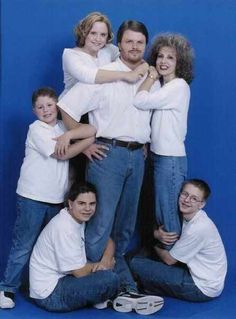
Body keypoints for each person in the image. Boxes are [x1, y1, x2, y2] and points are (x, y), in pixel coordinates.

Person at [58, 20, 151, 299]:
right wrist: (85, 143)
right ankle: (96, 284)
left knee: (125, 224)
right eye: (129, 41)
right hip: (108, 155)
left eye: (140, 42)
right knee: (100, 224)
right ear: (118, 45)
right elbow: (67, 107)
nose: (134, 47)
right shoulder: (105, 73)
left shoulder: (148, 76)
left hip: (138, 157)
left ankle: (117, 281)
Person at [0, 88, 96, 309]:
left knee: (59, 244)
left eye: (50, 105)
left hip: (57, 198)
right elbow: (62, 153)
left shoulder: (64, 128)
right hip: (33, 196)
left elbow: (92, 128)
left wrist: (76, 136)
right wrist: (87, 142)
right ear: (34, 111)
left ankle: (59, 284)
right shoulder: (36, 129)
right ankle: (7, 288)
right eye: (40, 107)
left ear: (57, 106)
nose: (46, 110)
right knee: (23, 244)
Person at [29, 182, 164, 315]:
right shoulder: (64, 228)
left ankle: (128, 293)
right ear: (70, 204)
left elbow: (108, 241)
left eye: (92, 204)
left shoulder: (79, 219)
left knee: (111, 254)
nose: (87, 208)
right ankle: (122, 293)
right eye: (81, 203)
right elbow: (79, 272)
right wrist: (105, 266)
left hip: (66, 280)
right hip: (51, 295)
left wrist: (105, 260)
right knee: (109, 279)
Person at [133, 33, 194, 249]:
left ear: (180, 63)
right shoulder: (163, 86)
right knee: (159, 210)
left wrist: (149, 77)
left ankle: (170, 265)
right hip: (159, 156)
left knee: (168, 212)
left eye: (171, 58)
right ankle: (162, 263)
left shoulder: (178, 86)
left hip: (170, 159)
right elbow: (154, 123)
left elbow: (140, 101)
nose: (163, 62)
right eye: (160, 56)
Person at [130, 179, 227, 302]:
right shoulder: (187, 218)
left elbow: (169, 260)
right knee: (141, 255)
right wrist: (156, 235)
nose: (187, 200)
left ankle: (134, 289)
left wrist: (154, 239)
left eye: (194, 198)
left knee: (134, 262)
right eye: (185, 194)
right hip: (197, 275)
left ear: (201, 204)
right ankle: (145, 286)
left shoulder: (198, 227)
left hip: (201, 287)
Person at [60, 11, 148, 129]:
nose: (98, 39)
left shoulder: (107, 50)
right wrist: (127, 75)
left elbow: (131, 54)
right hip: (71, 111)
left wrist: (146, 66)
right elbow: (89, 76)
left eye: (103, 35)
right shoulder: (71, 55)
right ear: (84, 33)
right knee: (80, 144)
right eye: (93, 33)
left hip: (94, 110)